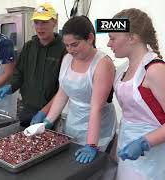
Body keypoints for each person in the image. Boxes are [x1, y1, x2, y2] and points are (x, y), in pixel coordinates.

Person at [34, 16, 117, 164]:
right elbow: (63, 93)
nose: (70, 50)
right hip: (74, 122)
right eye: (66, 45)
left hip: (98, 127)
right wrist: (48, 120)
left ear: (90, 38)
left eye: (75, 45)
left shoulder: (102, 63)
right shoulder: (67, 59)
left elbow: (96, 107)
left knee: (92, 169)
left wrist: (92, 144)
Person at [108, 8, 165, 180]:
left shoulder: (155, 70)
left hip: (153, 156)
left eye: (113, 38)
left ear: (133, 38)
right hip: (127, 147)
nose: (109, 44)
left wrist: (144, 142)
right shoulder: (122, 70)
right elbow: (128, 116)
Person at [0, 3, 67, 126]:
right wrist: (11, 86)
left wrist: (47, 113)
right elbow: (19, 73)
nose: (40, 27)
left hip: (51, 111)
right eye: (36, 22)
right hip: (27, 108)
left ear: (54, 22)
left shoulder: (63, 49)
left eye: (44, 22)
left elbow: (64, 87)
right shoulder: (29, 47)